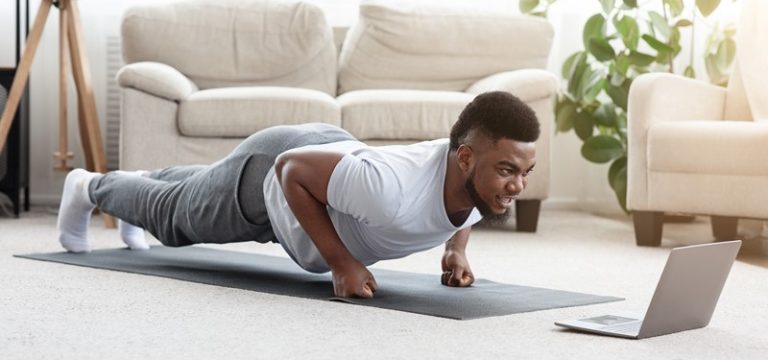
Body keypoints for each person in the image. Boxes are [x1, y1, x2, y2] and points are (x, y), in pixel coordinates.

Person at [57, 91, 539, 299]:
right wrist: (340, 263)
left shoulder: (472, 177)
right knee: (175, 220)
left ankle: (138, 181)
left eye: (525, 173)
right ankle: (89, 186)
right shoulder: (388, 190)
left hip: (327, 165)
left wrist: (455, 250)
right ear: (465, 159)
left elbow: (471, 205)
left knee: (199, 186)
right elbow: (289, 169)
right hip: (278, 171)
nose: (516, 187)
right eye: (507, 171)